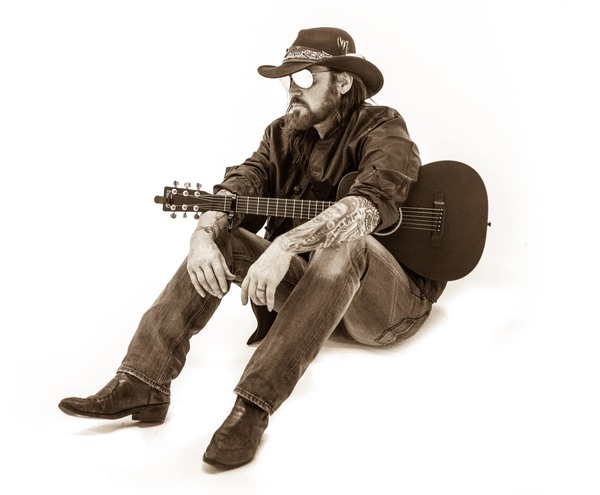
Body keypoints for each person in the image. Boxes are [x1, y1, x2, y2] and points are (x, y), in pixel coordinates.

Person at [59, 27, 446, 470]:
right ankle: (143, 381)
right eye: (288, 79)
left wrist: (285, 244)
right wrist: (202, 236)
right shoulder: (281, 135)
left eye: (305, 78)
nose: (292, 89)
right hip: (318, 295)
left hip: (390, 307)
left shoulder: (382, 126)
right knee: (221, 237)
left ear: (342, 81)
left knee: (346, 238)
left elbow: (369, 205)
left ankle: (252, 408)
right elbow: (240, 184)